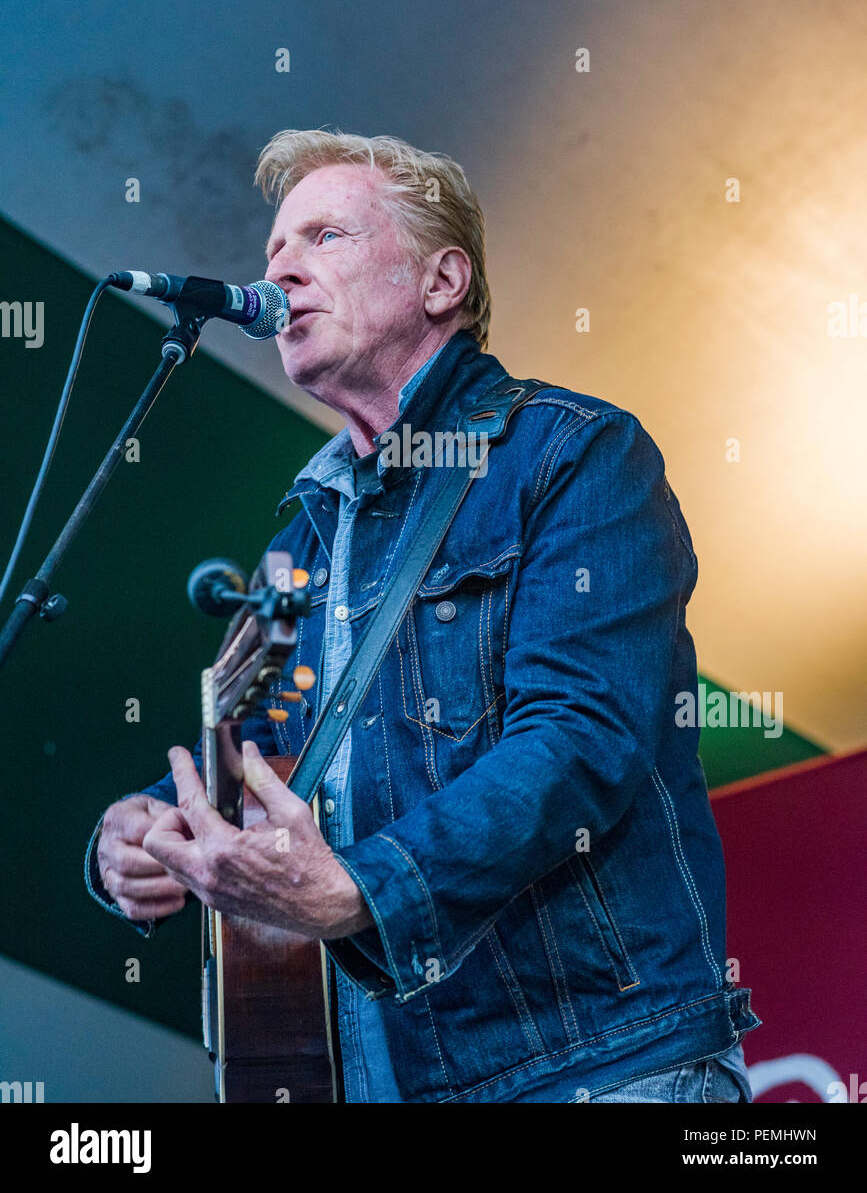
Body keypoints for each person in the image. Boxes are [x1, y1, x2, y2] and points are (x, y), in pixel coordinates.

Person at [85, 129, 759, 1103]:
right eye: (274, 253)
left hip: (595, 1063)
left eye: (324, 236)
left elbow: (581, 737)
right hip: (378, 1076)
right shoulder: (304, 544)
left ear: (443, 280)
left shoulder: (572, 452)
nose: (279, 272)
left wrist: (368, 888)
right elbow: (268, 762)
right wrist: (143, 835)